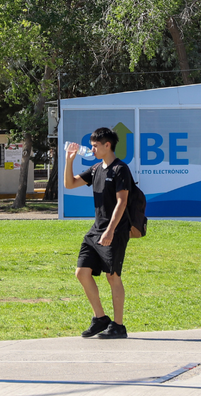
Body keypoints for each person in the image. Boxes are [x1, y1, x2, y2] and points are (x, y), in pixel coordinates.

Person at [63, 127, 132, 339]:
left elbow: (122, 202)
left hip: (115, 230)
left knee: (113, 276)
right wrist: (69, 160)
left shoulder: (121, 169)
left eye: (95, 145)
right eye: (91, 145)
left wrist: (110, 230)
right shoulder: (95, 169)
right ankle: (100, 318)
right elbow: (70, 183)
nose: (91, 148)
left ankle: (118, 326)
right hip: (95, 230)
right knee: (82, 272)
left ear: (107, 145)